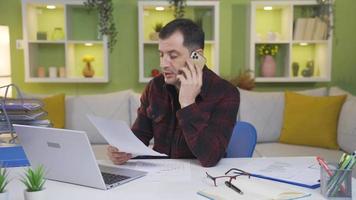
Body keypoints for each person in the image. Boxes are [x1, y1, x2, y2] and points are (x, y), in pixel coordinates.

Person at [108, 18, 240, 167]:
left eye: (173, 55)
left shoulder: (226, 93)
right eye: (161, 54)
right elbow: (140, 135)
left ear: (196, 56)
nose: (163, 64)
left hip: (200, 179)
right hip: (159, 178)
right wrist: (122, 149)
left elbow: (210, 157)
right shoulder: (155, 86)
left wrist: (188, 104)